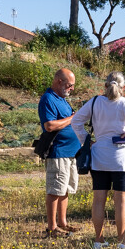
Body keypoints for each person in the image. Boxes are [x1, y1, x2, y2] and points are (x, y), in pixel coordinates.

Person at [71, 72, 125, 249]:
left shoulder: (94, 102)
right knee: (121, 201)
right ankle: (122, 241)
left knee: (99, 200)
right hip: (121, 158)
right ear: (123, 88)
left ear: (105, 86)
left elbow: (76, 121)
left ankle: (98, 240)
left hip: (99, 155)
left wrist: (86, 140)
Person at [38, 68, 80, 238]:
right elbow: (49, 125)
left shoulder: (62, 99)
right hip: (58, 152)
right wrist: (73, 118)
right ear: (59, 82)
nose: (72, 89)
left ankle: (63, 222)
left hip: (70, 152)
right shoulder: (48, 99)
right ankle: (52, 227)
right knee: (55, 190)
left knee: (65, 189)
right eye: (70, 85)